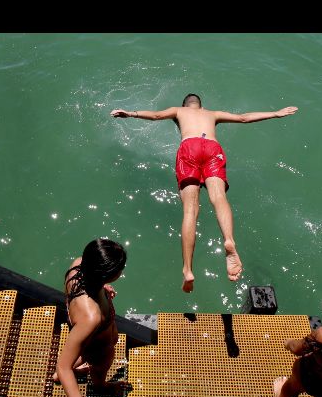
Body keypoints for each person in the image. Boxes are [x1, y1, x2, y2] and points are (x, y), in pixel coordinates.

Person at [111, 94, 298, 293]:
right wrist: (275, 113)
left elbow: (156, 115)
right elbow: (244, 118)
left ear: (185, 106)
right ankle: (228, 239)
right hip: (212, 147)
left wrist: (130, 113)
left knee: (190, 210)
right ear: (201, 106)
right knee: (219, 198)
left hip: (189, 148)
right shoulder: (212, 114)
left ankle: (188, 269)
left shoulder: (179, 111)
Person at [54, 238, 127, 397]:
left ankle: (69, 373)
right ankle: (101, 386)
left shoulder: (78, 266)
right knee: (97, 372)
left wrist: (102, 289)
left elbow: (83, 292)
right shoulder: (91, 318)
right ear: (106, 274)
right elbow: (63, 366)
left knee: (78, 356)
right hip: (98, 350)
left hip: (89, 339)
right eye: (120, 269)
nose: (122, 271)